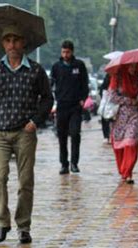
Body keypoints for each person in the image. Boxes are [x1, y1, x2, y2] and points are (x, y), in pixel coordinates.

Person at [0, 26, 53, 244]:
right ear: (3, 44)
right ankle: (2, 223)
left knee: (25, 180)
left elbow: (48, 99)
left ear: (23, 43)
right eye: (8, 40)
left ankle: (23, 226)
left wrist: (35, 121)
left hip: (24, 132)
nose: (12, 45)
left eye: (16, 40)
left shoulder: (36, 70)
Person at [50, 40, 89, 174]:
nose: (65, 54)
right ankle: (64, 164)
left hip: (75, 106)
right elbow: (51, 83)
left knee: (75, 133)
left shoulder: (79, 65)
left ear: (72, 52)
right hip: (62, 105)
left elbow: (85, 84)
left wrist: (83, 99)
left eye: (68, 52)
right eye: (63, 52)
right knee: (61, 136)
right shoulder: (56, 67)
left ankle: (74, 162)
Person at [108, 63, 138, 184]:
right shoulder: (117, 78)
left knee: (131, 142)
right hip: (119, 116)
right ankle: (123, 171)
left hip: (134, 115)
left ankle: (128, 173)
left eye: (135, 66)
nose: (133, 68)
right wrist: (128, 100)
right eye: (131, 66)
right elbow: (112, 96)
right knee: (119, 145)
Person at [99, 73, 112, 143]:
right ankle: (107, 136)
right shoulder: (108, 78)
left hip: (115, 103)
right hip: (107, 103)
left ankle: (109, 136)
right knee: (105, 120)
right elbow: (102, 90)